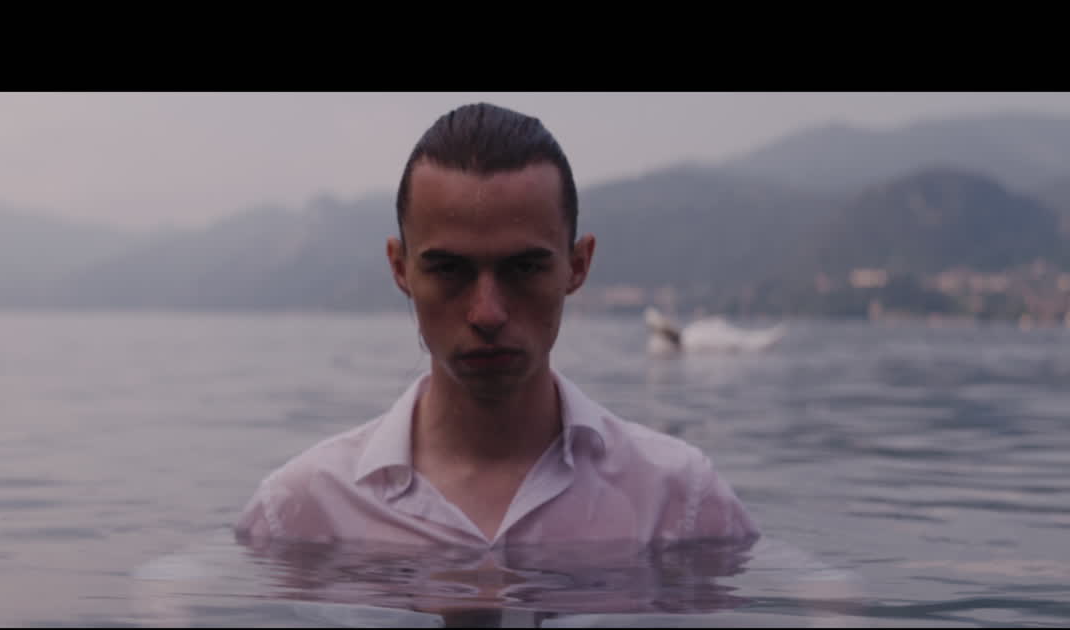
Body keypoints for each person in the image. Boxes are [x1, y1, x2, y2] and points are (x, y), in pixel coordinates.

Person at [235, 102, 758, 549]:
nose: (487, 312)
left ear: (578, 266)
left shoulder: (679, 502)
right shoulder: (302, 511)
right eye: (449, 269)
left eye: (524, 268)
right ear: (401, 269)